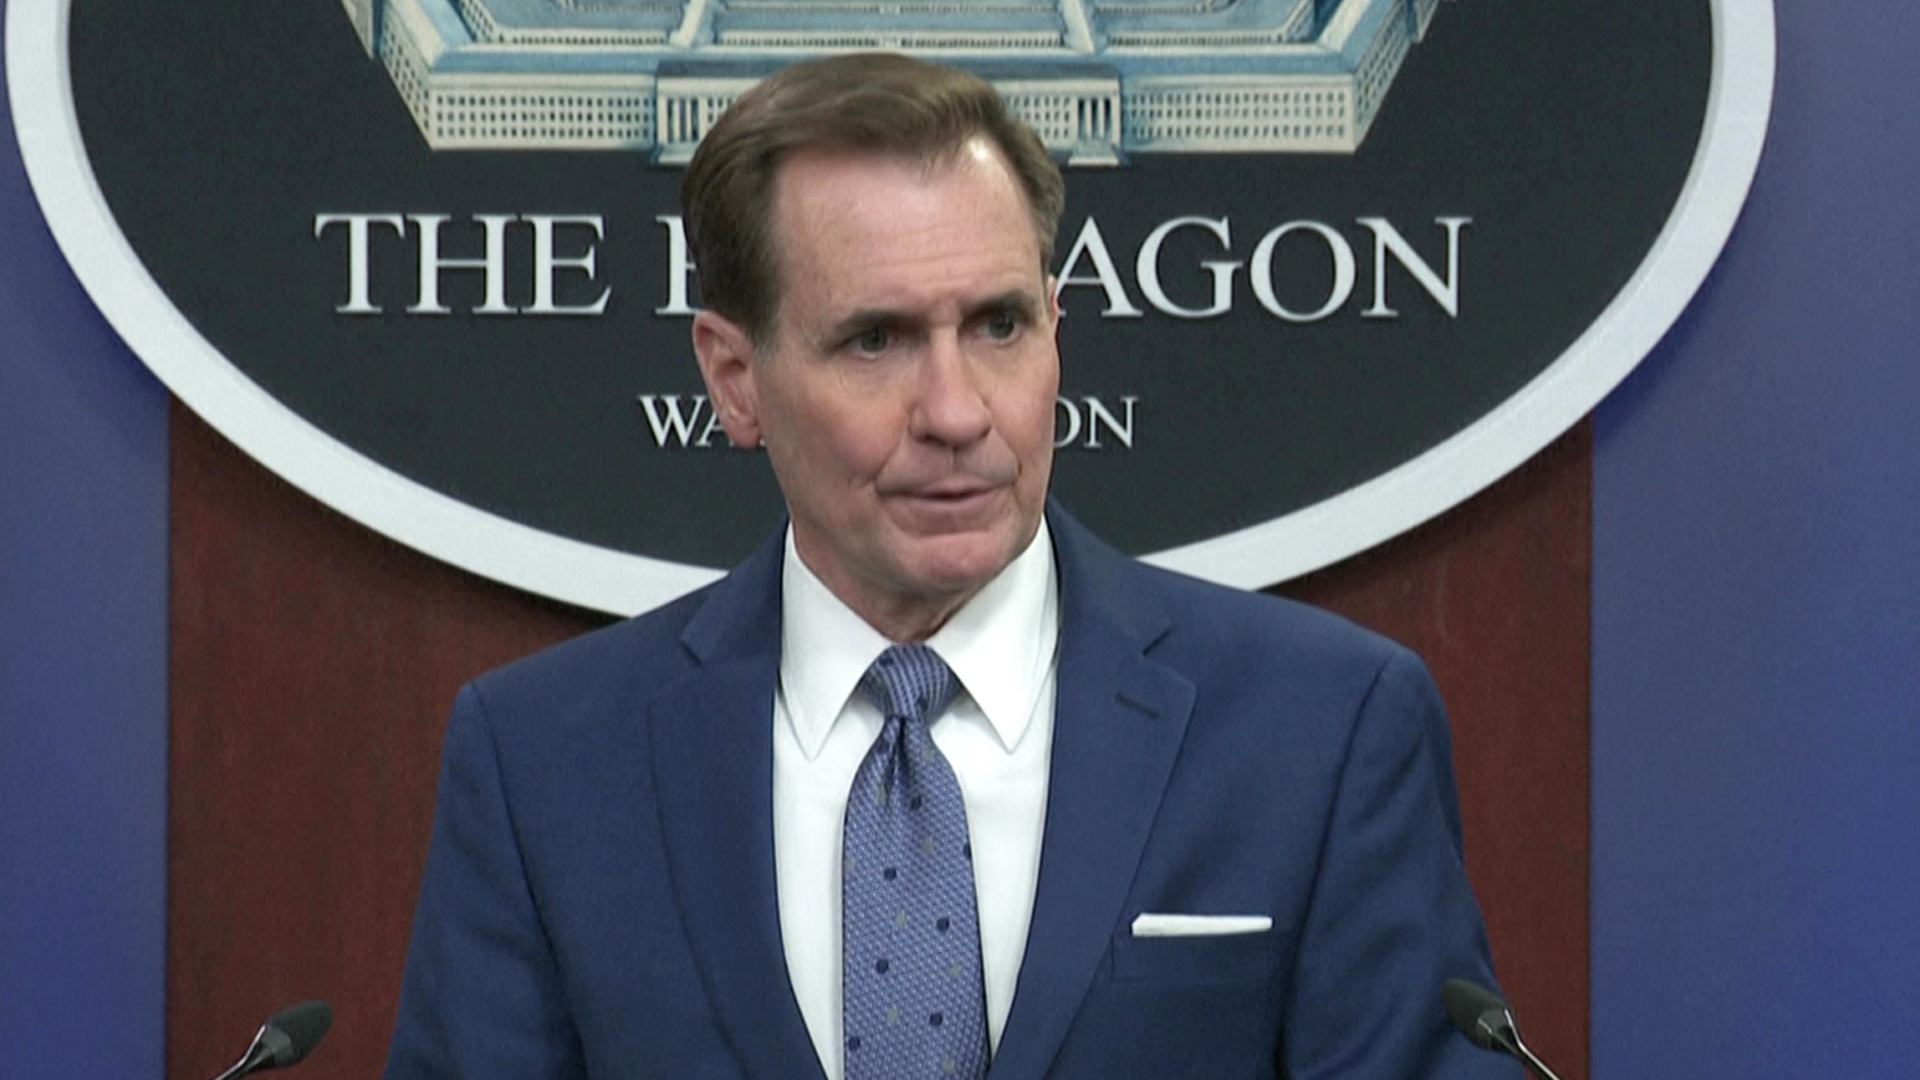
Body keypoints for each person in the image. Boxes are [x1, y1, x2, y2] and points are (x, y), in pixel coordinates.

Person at [382, 52, 1515, 1080]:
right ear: (735, 379)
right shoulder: (546, 765)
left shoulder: (1322, 730)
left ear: (1057, 329)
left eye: (998, 327)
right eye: (875, 340)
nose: (958, 412)